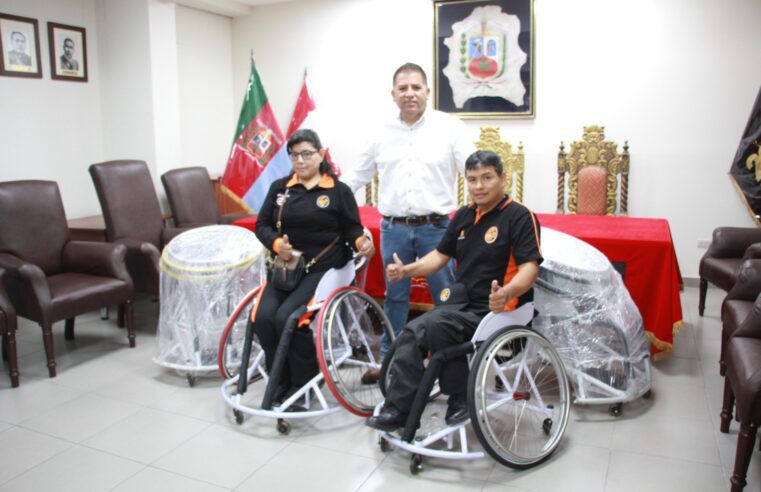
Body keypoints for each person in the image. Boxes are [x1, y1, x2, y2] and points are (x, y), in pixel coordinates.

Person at [365, 150, 542, 431]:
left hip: (500, 311)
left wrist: (507, 292)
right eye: (472, 179)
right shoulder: (463, 215)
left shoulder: (519, 216)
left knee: (437, 323)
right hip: (461, 307)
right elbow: (439, 256)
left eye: (486, 178)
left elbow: (530, 268)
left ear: (502, 178)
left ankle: (460, 398)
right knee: (412, 332)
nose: (479, 186)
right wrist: (406, 271)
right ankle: (398, 410)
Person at [341, 62, 475, 382]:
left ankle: (448, 367)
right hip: (394, 229)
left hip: (438, 229)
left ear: (427, 91)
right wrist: (325, 193)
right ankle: (391, 362)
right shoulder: (379, 132)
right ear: (393, 94)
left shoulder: (450, 127)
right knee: (395, 298)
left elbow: (474, 170)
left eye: (416, 87)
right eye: (403, 88)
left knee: (445, 299)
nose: (410, 93)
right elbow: (355, 177)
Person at [251, 128, 374, 403]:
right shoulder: (280, 188)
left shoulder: (337, 190)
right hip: (287, 266)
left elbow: (353, 230)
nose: (301, 160)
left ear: (320, 155)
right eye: (294, 155)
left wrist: (362, 243)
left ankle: (301, 385)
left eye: (307, 154)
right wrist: (275, 244)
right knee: (264, 318)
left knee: (289, 319)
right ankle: (279, 379)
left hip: (325, 268)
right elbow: (262, 225)